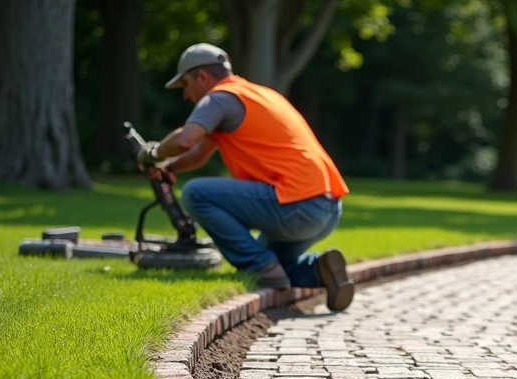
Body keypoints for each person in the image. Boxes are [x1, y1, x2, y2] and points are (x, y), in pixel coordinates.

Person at [136, 43, 354, 311]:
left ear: (202, 77)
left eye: (186, 85)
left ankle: (262, 266)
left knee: (196, 193)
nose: (186, 95)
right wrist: (170, 169)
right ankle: (321, 269)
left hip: (297, 207)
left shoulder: (218, 98)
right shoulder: (258, 94)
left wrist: (153, 152)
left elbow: (185, 140)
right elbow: (200, 152)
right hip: (328, 207)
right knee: (273, 263)